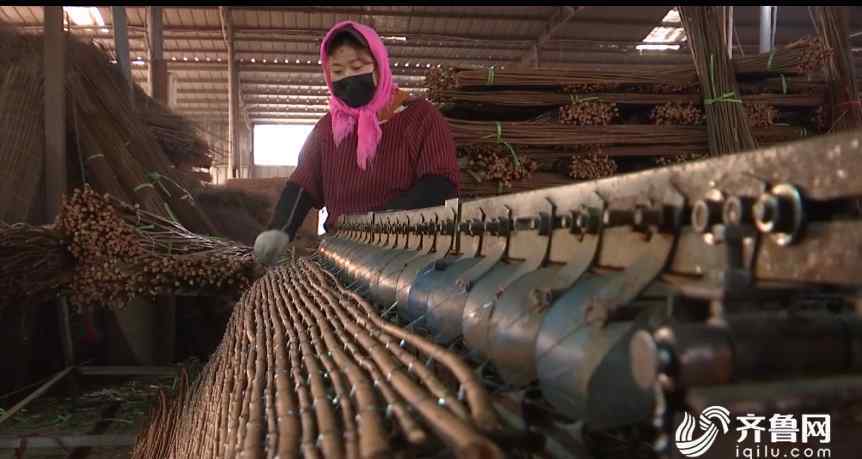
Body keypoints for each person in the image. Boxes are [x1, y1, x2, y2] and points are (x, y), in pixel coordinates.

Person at [254, 21, 460, 266]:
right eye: (338, 71)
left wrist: (381, 224)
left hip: (407, 255)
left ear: (379, 65)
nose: (348, 78)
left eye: (357, 66)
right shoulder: (326, 130)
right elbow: (303, 184)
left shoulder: (419, 117)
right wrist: (280, 228)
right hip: (340, 252)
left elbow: (440, 181)